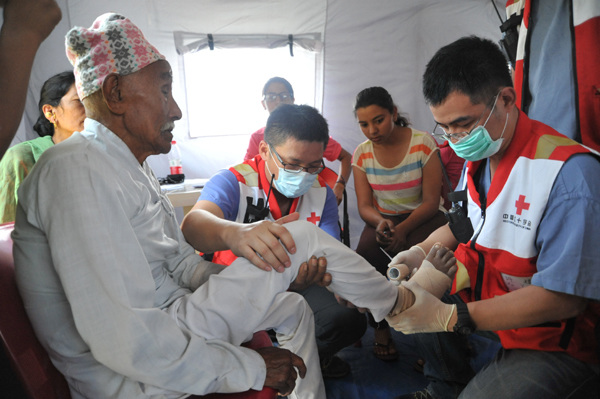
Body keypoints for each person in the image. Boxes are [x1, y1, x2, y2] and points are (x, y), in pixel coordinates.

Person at [12, 13, 408, 399]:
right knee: (299, 237)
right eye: (164, 90)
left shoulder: (129, 169)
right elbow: (123, 340)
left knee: (292, 307)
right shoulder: (76, 170)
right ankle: (403, 306)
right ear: (115, 94)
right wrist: (249, 367)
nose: (176, 110)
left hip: (171, 321)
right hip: (131, 374)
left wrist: (247, 276)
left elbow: (181, 264)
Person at [387, 36, 600, 399]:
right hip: (496, 301)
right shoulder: (482, 153)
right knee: (402, 308)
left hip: (555, 340)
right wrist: (418, 252)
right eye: (445, 127)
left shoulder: (567, 177)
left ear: (505, 99)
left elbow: (564, 299)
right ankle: (445, 387)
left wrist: (451, 317)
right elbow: (464, 224)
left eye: (463, 124)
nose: (455, 138)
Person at [181, 103, 366, 379]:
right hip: (237, 284)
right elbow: (193, 226)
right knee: (206, 333)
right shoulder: (234, 181)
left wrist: (339, 281)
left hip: (298, 284)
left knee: (347, 320)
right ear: (265, 151)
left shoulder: (322, 193)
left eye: (314, 166)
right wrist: (236, 234)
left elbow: (328, 249)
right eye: (292, 165)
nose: (303, 175)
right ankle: (257, 364)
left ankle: (301, 362)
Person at [351, 86, 447, 361]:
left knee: (432, 263)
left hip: (423, 217)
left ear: (393, 112)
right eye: (364, 124)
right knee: (367, 256)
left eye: (378, 120)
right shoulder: (362, 154)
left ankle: (432, 338)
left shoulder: (423, 144)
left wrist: (404, 230)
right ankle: (380, 327)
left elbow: (431, 201)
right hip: (384, 220)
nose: (372, 130)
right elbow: (365, 207)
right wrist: (382, 223)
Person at [244, 76, 352, 205]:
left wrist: (340, 185)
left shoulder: (311, 136)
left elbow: (346, 157)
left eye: (284, 96)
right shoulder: (257, 137)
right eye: (271, 97)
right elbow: (249, 173)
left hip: (308, 200)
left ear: (293, 100)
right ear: (264, 150)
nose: (278, 101)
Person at [0, 71, 84, 223]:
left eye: (94, 102)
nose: (92, 110)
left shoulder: (105, 157)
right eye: (80, 101)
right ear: (50, 112)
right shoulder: (23, 157)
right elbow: (6, 229)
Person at [0, 0, 62, 159]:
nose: (86, 111)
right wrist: (24, 30)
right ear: (50, 112)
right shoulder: (26, 154)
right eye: (77, 101)